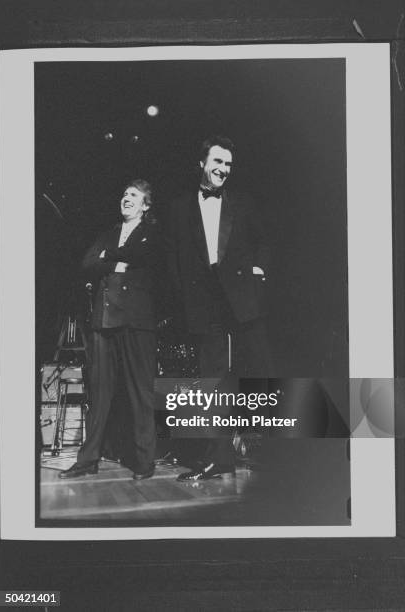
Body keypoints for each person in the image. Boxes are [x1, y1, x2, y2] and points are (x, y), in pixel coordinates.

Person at [166, 135, 273, 481]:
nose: (223, 169)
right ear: (202, 163)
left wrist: (258, 271)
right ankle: (220, 458)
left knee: (256, 376)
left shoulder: (243, 202)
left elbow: (265, 242)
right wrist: (185, 298)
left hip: (242, 300)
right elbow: (174, 260)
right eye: (217, 162)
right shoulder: (180, 207)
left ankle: (273, 454)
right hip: (204, 303)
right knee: (212, 382)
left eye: (228, 164)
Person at [59, 179, 158, 480]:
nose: (126, 198)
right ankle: (88, 460)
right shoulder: (108, 233)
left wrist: (109, 258)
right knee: (99, 394)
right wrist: (116, 263)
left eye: (133, 195)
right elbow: (87, 263)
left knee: (140, 393)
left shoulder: (152, 232)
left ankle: (144, 462)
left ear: (145, 205)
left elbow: (145, 257)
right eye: (124, 194)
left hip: (136, 320)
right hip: (103, 320)